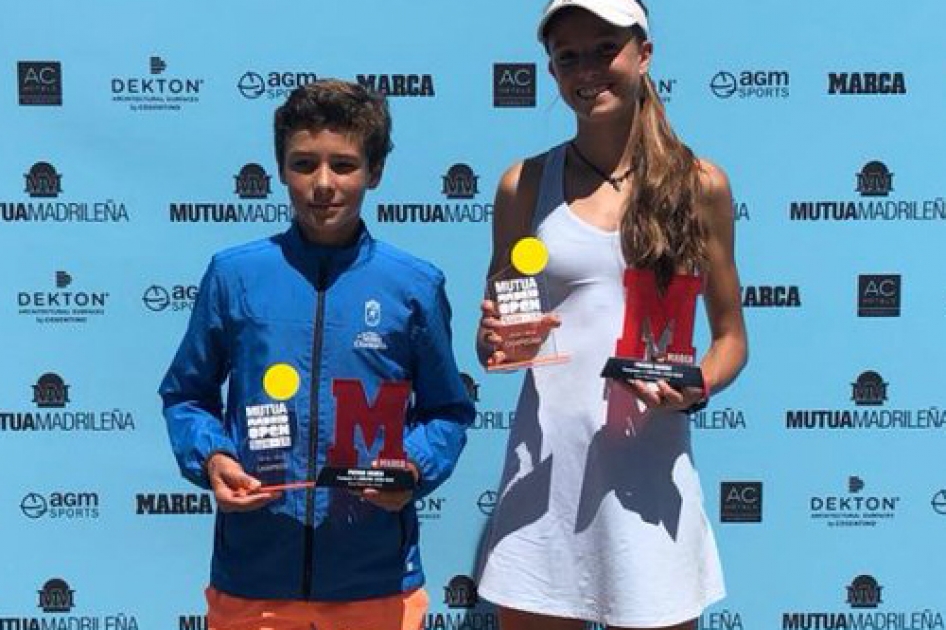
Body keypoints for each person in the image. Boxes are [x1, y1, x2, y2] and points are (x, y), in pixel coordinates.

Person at [160, 79, 474, 630]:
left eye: (344, 166)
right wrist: (212, 456)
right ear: (281, 168)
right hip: (252, 580)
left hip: (375, 584)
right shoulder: (234, 275)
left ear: (374, 172)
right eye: (304, 164)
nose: (323, 184)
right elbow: (187, 395)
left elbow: (447, 411)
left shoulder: (414, 286)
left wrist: (414, 467)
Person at [475, 1, 748, 629]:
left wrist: (694, 387)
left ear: (643, 55)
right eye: (568, 56)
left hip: (649, 484)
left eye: (605, 49)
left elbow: (731, 338)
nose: (587, 69)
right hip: (541, 487)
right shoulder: (524, 184)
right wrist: (497, 341)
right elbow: (496, 339)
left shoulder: (699, 184)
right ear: (551, 70)